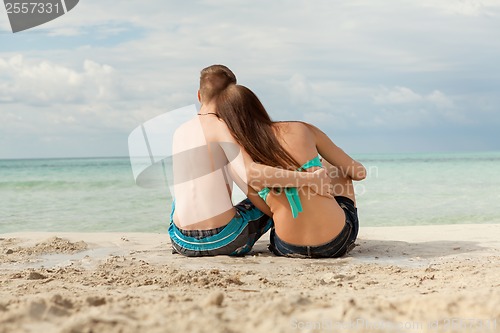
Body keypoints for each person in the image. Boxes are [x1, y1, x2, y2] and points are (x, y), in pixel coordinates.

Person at [169, 65, 331, 257]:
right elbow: (251, 172)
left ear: (199, 95)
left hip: (181, 241)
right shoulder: (222, 128)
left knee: (181, 196)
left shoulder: (179, 131)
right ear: (231, 98)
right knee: (274, 195)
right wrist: (309, 180)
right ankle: (297, 233)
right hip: (223, 240)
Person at [215, 84, 367, 258]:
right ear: (258, 106)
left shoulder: (240, 163)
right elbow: (359, 173)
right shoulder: (302, 129)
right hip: (335, 242)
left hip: (287, 247)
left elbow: (267, 210)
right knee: (336, 166)